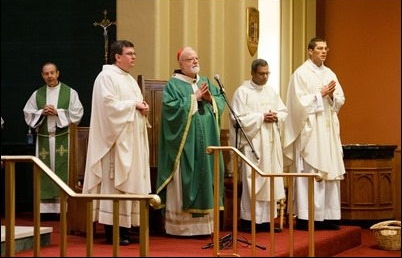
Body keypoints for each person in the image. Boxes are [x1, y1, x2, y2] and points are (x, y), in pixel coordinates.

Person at [82, 40, 151, 245]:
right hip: (115, 143)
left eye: (134, 53)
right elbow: (108, 106)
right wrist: (133, 105)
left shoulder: (129, 80)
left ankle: (126, 229)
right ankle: (113, 231)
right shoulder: (106, 77)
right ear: (117, 57)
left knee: (129, 184)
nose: (134, 57)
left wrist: (143, 108)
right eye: (129, 53)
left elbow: (134, 104)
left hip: (132, 142)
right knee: (114, 186)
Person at [155, 46, 226, 236]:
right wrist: (193, 99)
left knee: (207, 175)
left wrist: (211, 99)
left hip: (207, 141)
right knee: (186, 175)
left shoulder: (206, 82)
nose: (195, 62)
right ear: (180, 63)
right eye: (190, 59)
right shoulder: (173, 85)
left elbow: (220, 102)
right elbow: (170, 111)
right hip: (184, 143)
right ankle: (182, 228)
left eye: (196, 58)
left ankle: (205, 227)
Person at [283, 37, 345, 230]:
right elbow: (297, 103)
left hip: (326, 131)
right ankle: (307, 216)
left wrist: (332, 95)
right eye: (319, 48)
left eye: (326, 48)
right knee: (311, 170)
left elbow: (341, 99)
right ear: (310, 51)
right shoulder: (301, 74)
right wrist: (320, 94)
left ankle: (328, 215)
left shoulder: (329, 73)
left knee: (329, 171)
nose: (324, 52)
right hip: (310, 131)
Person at [229, 59, 287, 233]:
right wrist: (261, 117)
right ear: (253, 73)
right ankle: (250, 220)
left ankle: (268, 221)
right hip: (253, 144)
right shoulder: (242, 92)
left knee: (270, 180)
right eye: (262, 73)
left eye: (267, 73)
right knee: (253, 181)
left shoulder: (271, 91)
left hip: (270, 142)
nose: (265, 77)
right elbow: (237, 119)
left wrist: (276, 116)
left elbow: (283, 112)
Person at [23, 62, 84, 218]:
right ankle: (45, 210)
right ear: (42, 76)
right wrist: (41, 113)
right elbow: (28, 114)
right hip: (44, 139)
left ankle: (62, 208)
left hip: (63, 138)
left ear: (58, 73)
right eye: (46, 73)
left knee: (62, 170)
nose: (49, 76)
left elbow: (77, 113)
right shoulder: (37, 94)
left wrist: (58, 112)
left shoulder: (70, 92)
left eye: (52, 73)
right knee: (44, 172)